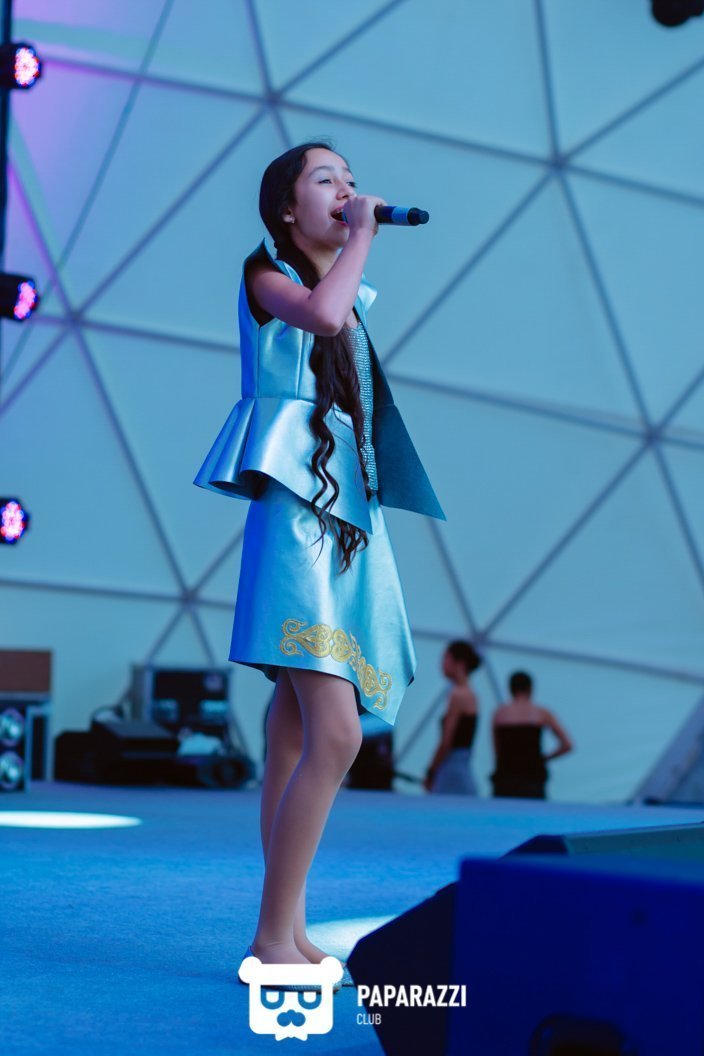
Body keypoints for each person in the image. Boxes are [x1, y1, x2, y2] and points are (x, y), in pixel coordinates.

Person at [193, 140, 446, 971]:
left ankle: (287, 928)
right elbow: (324, 317)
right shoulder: (265, 276)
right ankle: (273, 936)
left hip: (340, 516)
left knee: (296, 733)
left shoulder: (336, 288)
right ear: (285, 208)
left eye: (352, 181)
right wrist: (365, 233)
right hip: (298, 515)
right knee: (335, 734)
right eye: (326, 180)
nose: (347, 191)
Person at [490, 671, 573, 799]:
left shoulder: (500, 714)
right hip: (533, 776)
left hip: (506, 777)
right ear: (530, 689)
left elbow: (497, 750)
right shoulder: (541, 713)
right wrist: (545, 758)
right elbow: (567, 745)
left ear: (510, 689)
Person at [423, 640, 481, 794]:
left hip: (451, 768)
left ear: (459, 664)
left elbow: (446, 742)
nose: (442, 664)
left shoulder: (458, 695)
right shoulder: (470, 693)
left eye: (446, 659)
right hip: (462, 765)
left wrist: (431, 770)